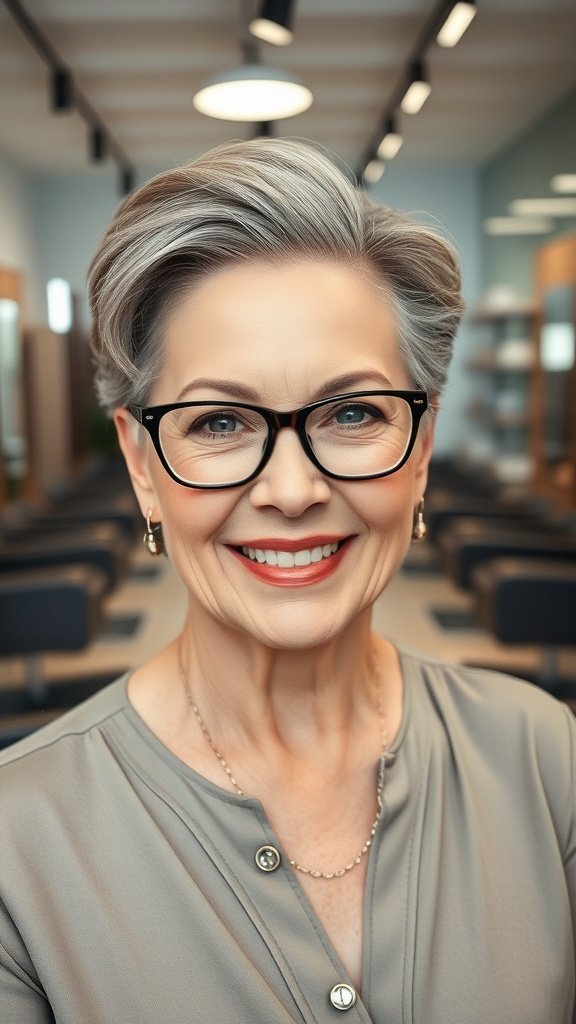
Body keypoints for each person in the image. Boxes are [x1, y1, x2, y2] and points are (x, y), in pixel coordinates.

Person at [0, 138, 574, 1024]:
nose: (293, 490)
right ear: (142, 464)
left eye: (353, 413)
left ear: (420, 450)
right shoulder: (20, 841)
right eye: (219, 422)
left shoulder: (546, 761)